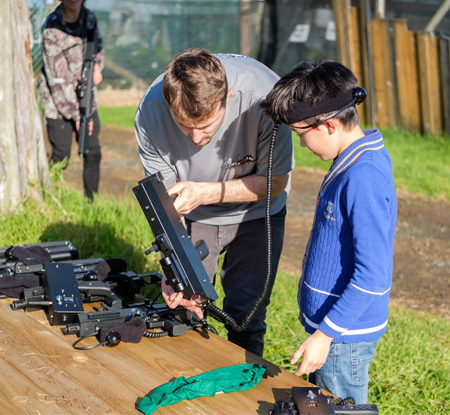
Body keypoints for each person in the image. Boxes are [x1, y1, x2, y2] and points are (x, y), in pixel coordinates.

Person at [134, 48, 294, 357]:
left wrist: (204, 192)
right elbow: (168, 205)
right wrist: (177, 267)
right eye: (183, 126)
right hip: (194, 215)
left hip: (257, 212)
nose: (195, 139)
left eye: (206, 126)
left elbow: (276, 181)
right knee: (187, 306)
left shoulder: (266, 98)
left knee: (246, 318)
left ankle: (244, 384)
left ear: (228, 97)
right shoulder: (150, 113)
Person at [261, 60, 397, 403]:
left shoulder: (363, 177)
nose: (302, 145)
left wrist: (325, 335)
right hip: (336, 333)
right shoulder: (350, 158)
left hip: (342, 339)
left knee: (340, 408)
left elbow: (373, 277)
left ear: (330, 125)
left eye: (300, 134)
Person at [40, 0, 104, 200]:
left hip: (87, 98)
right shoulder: (51, 28)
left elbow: (97, 48)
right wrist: (77, 115)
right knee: (61, 156)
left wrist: (97, 66)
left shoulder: (90, 19)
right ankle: (49, 199)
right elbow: (58, 81)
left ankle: (90, 203)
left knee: (93, 152)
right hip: (58, 104)